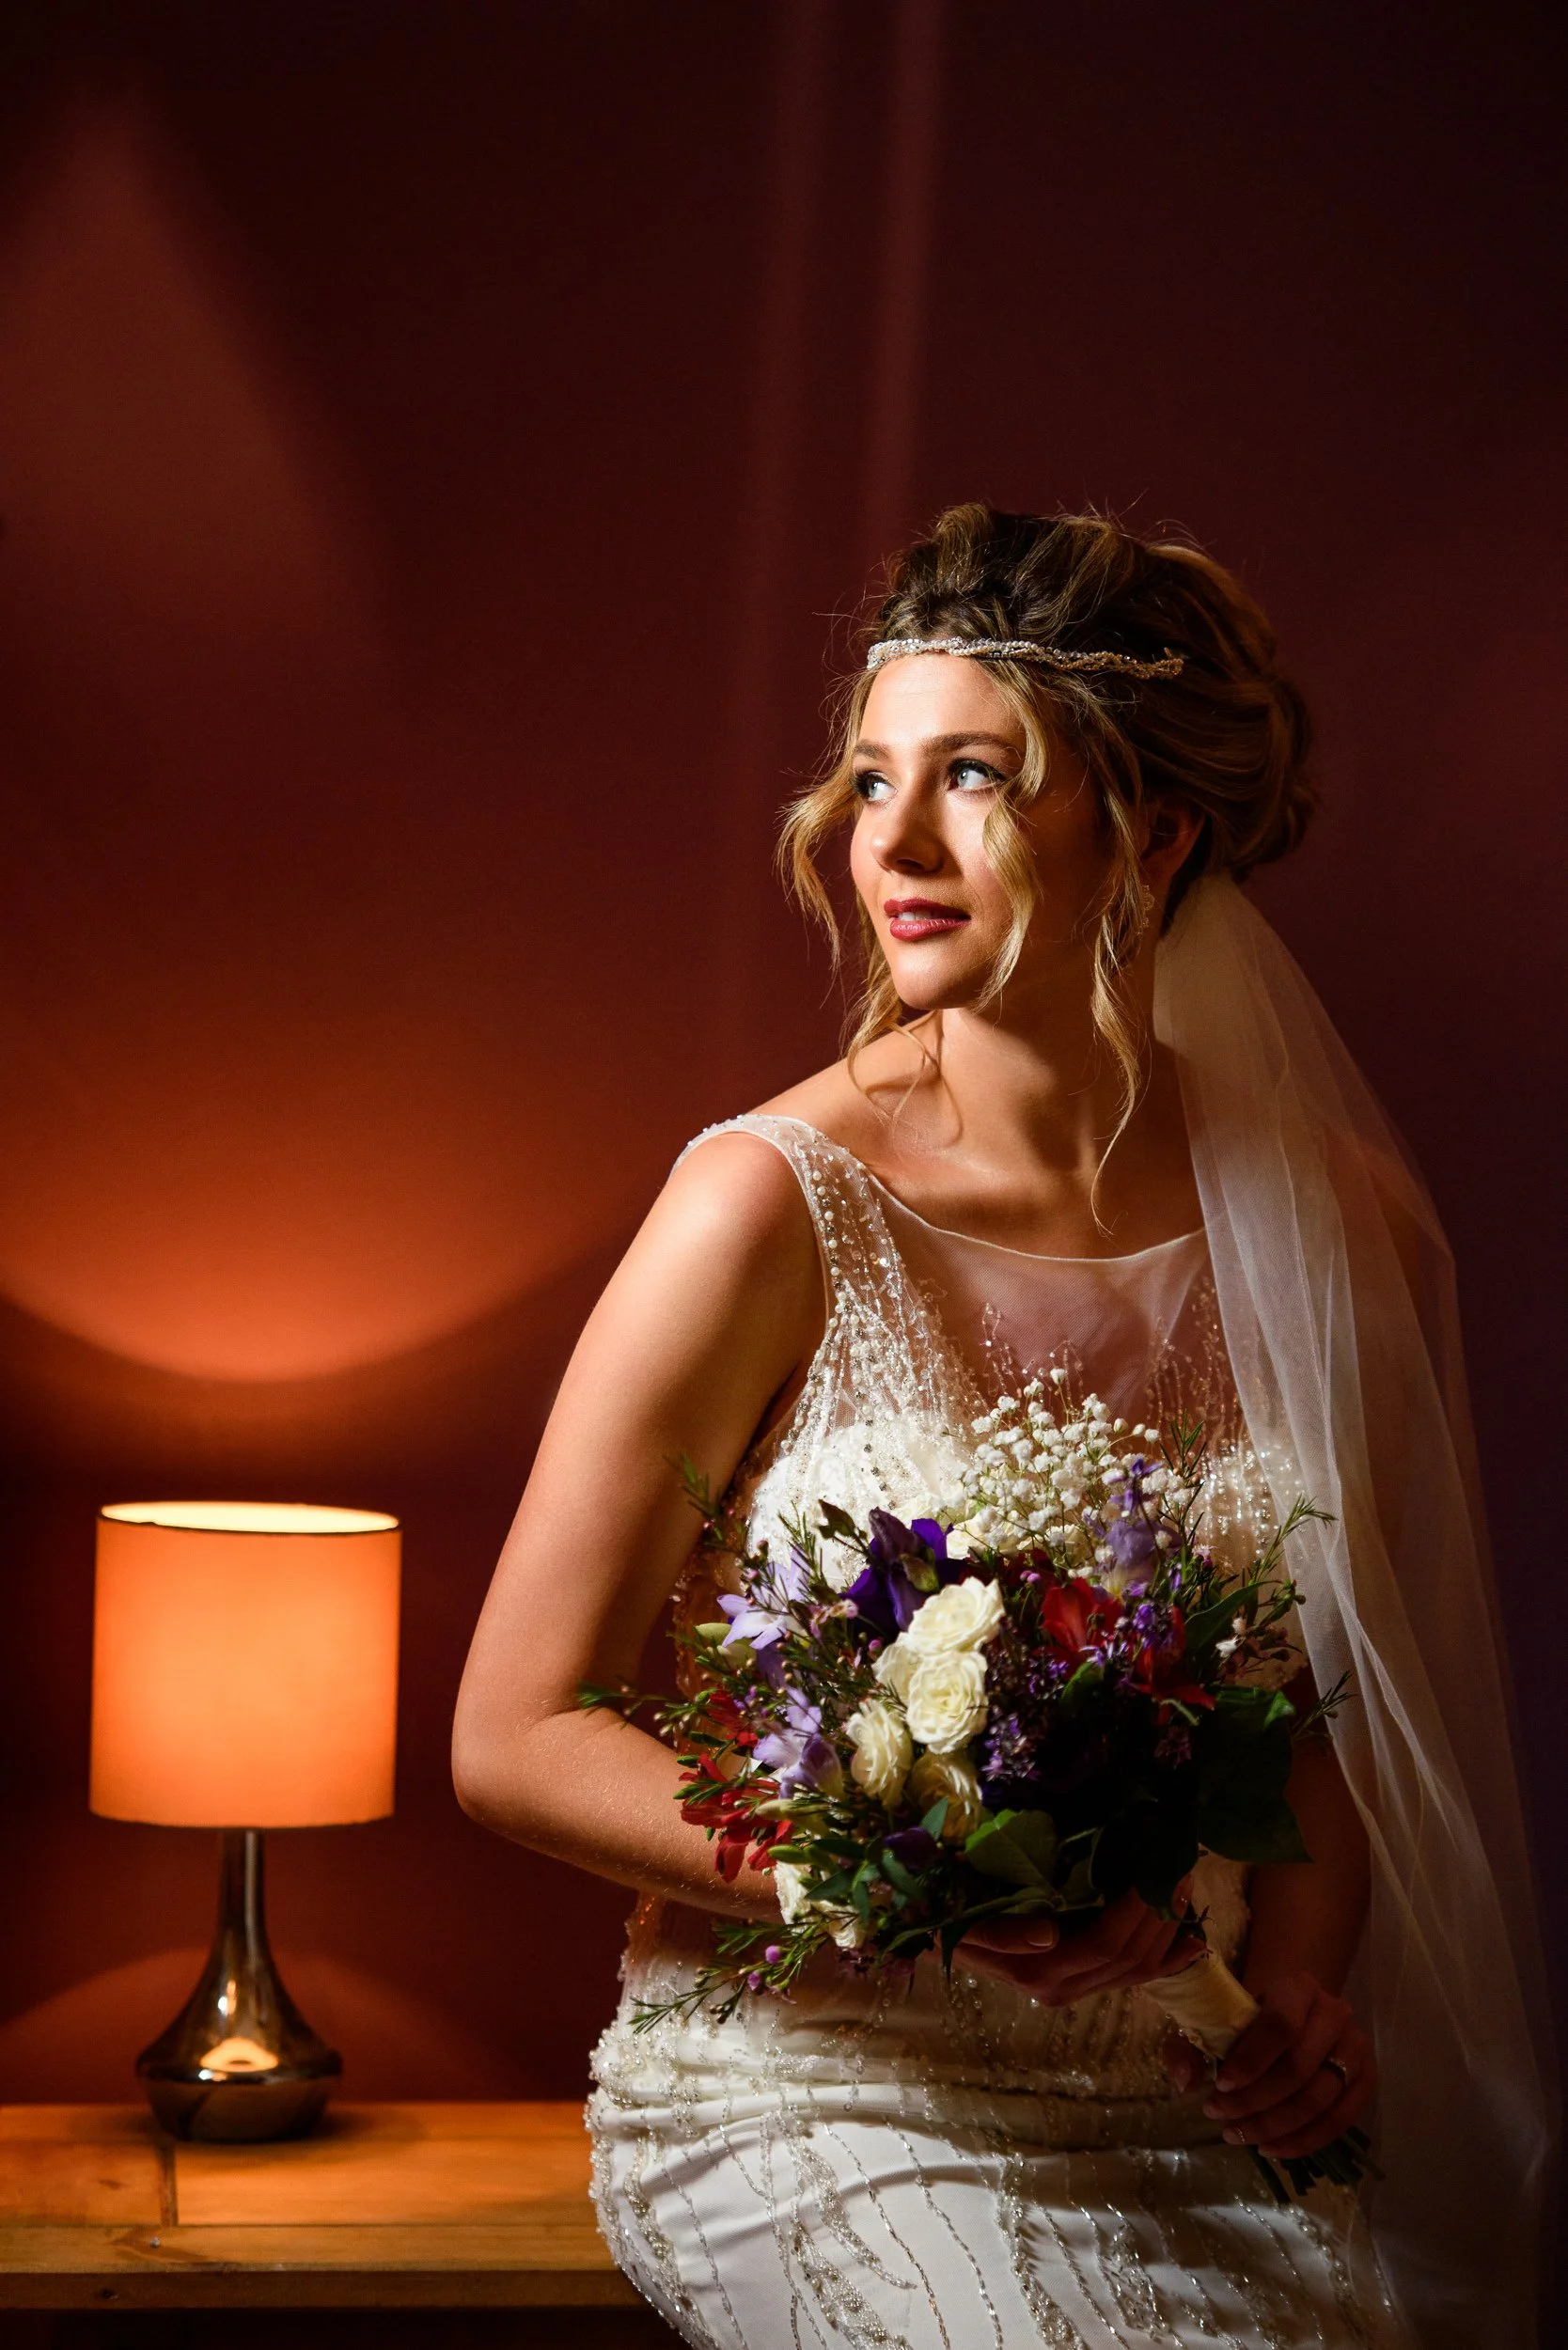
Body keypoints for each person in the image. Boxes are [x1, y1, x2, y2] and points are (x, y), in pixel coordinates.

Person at [453, 507, 1550, 2350]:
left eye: (973, 776)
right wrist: (907, 1876)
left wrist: (1295, 1992)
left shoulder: (1326, 1218)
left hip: (1181, 2109)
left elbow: (1313, 1728)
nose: (890, 836)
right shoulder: (765, 1203)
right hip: (824, 2093)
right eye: (874, 775)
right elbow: (514, 1730)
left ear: (1151, 825)